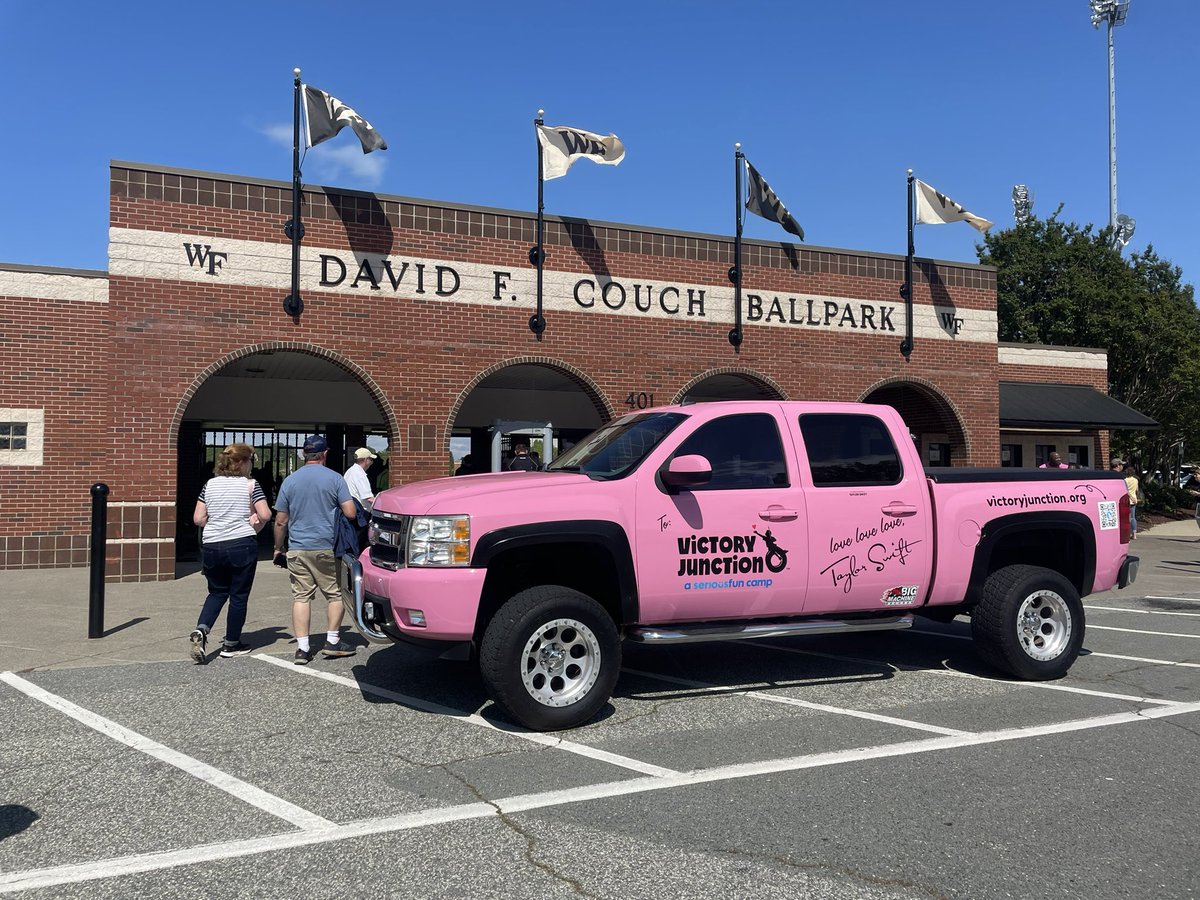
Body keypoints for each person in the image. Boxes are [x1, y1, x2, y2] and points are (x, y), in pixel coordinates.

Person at [273, 434, 359, 664]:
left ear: (303, 454)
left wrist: (278, 548)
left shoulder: (290, 481)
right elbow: (350, 512)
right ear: (325, 454)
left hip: (298, 548)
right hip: (327, 546)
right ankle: (332, 641)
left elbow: (281, 520)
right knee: (335, 594)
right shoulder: (335, 479)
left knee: (301, 597)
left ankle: (302, 648)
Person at [189, 443, 272, 663]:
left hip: (213, 544)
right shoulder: (251, 485)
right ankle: (232, 642)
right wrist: (253, 521)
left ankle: (202, 629)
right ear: (243, 462)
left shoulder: (210, 485)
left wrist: (217, 521)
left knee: (216, 592)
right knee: (238, 596)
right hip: (241, 543)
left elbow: (198, 519)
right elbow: (265, 513)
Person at [344, 447, 377, 511]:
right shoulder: (360, 475)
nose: (372, 462)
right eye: (371, 459)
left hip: (351, 509)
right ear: (366, 460)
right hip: (360, 512)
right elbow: (369, 498)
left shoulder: (350, 471)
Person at [1123, 464, 1140, 540]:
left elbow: (1125, 490)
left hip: (1126, 500)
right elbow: (1137, 490)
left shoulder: (1125, 480)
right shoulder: (1136, 480)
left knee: (1126, 518)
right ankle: (1134, 534)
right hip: (1134, 500)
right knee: (1133, 518)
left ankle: (1127, 534)